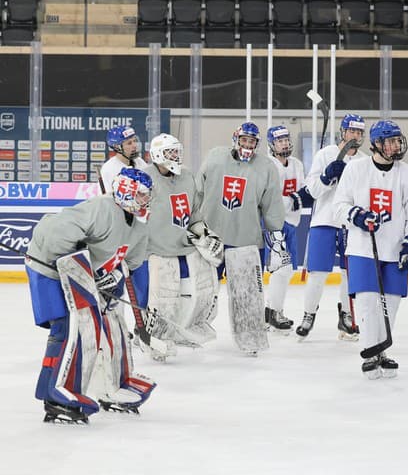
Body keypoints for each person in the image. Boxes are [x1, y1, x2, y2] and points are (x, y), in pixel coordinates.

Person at [27, 168, 155, 423]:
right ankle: (57, 395)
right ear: (127, 192)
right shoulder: (101, 208)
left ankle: (113, 386)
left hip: (86, 277)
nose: (146, 200)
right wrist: (79, 267)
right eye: (141, 195)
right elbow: (54, 235)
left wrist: (114, 278)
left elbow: (132, 262)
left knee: (112, 325)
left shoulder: (139, 223)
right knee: (70, 328)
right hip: (48, 268)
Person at [334, 119, 408, 378]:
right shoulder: (355, 170)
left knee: (390, 304)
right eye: (390, 141)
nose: (397, 145)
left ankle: (382, 349)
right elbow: (339, 206)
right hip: (363, 248)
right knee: (366, 302)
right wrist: (358, 216)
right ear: (375, 144)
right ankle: (369, 351)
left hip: (395, 248)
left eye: (398, 140)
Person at [196, 121, 288, 355]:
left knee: (247, 296)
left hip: (246, 241)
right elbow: (197, 191)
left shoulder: (266, 167)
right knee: (202, 290)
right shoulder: (215, 157)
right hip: (211, 238)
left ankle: (250, 337)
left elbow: (273, 205)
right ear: (235, 139)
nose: (247, 145)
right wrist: (193, 225)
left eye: (252, 141)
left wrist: (276, 238)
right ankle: (190, 330)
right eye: (244, 140)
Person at [144, 134, 223, 362]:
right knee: (162, 301)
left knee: (195, 296)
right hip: (157, 251)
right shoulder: (146, 178)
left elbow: (194, 213)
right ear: (158, 155)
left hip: (186, 249)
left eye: (177, 151)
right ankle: (156, 340)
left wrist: (203, 233)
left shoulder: (187, 176)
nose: (175, 156)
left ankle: (178, 334)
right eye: (170, 152)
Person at [299, 114, 366, 341]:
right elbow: (312, 191)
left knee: (349, 273)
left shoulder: (364, 161)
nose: (355, 136)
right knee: (317, 273)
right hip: (324, 220)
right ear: (343, 132)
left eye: (359, 132)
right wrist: (327, 178)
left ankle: (346, 316)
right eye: (352, 131)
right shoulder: (325, 154)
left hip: (349, 224)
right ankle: (308, 315)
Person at [264, 125, 314, 333]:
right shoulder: (268, 165)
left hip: (292, 223)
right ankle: (272, 313)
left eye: (286, 139)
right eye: (279, 141)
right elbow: (269, 196)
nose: (284, 143)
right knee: (281, 268)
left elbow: (303, 191)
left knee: (286, 271)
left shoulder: (296, 164)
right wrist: (293, 200)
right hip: (274, 222)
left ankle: (272, 311)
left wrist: (305, 195)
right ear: (271, 145)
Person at [100, 125, 148, 191]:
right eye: (129, 143)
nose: (134, 145)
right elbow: (107, 198)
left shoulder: (139, 162)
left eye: (135, 141)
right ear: (117, 146)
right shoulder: (109, 169)